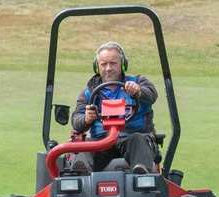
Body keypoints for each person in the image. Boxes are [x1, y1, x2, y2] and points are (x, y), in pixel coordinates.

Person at [68, 41, 159, 174]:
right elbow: (77, 119)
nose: (108, 68)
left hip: (131, 138)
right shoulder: (88, 94)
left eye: (113, 63)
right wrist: (86, 119)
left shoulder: (137, 82)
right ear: (97, 67)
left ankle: (141, 174)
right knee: (84, 146)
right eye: (104, 64)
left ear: (122, 64)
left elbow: (151, 94)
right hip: (101, 142)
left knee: (138, 139)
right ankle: (79, 175)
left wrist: (138, 91)